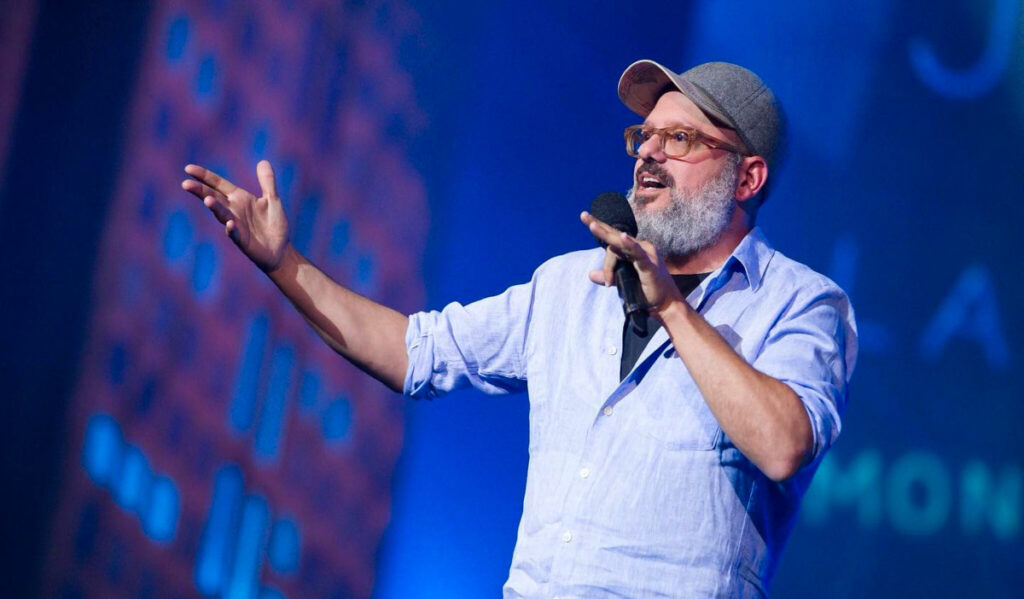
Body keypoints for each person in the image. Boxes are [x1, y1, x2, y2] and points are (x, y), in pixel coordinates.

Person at [182, 59, 857, 598]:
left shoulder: (799, 302)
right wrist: (283, 265)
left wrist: (673, 310)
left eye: (678, 139)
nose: (648, 155)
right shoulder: (568, 285)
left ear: (749, 176)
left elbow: (783, 444)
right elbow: (415, 351)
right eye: (642, 137)